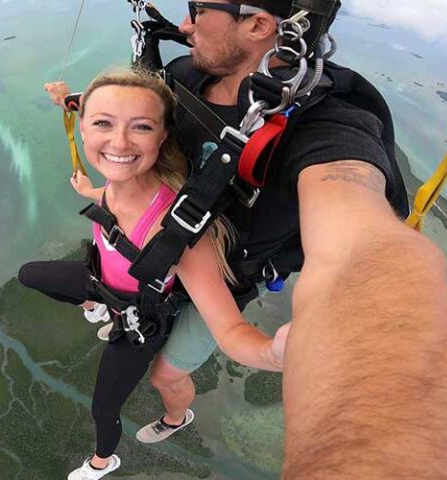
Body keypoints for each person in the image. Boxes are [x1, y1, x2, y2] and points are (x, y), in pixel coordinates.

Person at [49, 0, 447, 476]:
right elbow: (137, 114)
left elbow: (357, 239)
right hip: (166, 246)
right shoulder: (189, 71)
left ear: (259, 24)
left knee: (166, 372)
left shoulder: (326, 126)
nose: (184, 24)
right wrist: (76, 102)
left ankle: (176, 417)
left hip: (223, 276)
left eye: (198, 9)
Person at [19, 68, 291, 480]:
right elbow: (111, 183)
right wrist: (65, 102)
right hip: (104, 285)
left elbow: (229, 328)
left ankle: (103, 462)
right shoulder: (119, 180)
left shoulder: (175, 228)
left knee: (104, 406)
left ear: (163, 137)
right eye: (102, 124)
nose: (119, 142)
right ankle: (96, 306)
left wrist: (272, 353)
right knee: (29, 274)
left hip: (140, 319)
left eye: (141, 127)